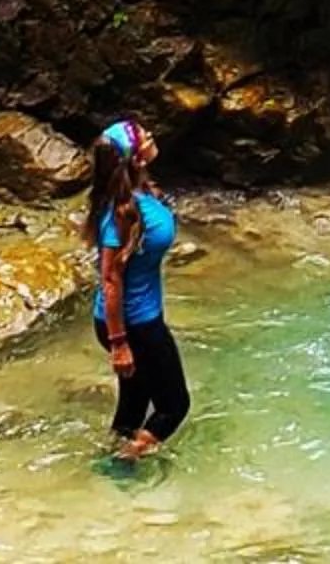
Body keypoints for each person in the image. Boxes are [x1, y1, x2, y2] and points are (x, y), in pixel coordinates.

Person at [85, 118, 189, 459]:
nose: (151, 136)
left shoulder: (138, 193)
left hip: (133, 321)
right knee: (173, 407)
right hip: (134, 325)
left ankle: (112, 468)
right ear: (135, 159)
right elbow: (111, 279)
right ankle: (122, 462)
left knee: (134, 402)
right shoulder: (120, 213)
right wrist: (119, 345)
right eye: (145, 137)